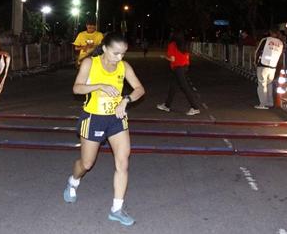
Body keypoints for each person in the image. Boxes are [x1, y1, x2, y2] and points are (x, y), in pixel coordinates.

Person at [63, 32, 145, 227]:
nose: (120, 57)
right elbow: (76, 88)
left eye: (123, 53)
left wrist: (126, 100)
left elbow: (140, 89)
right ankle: (73, 181)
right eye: (116, 53)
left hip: (116, 120)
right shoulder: (90, 63)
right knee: (87, 163)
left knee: (122, 163)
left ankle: (117, 209)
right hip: (93, 118)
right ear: (105, 48)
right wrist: (99, 86)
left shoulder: (124, 66)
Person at [156, 30, 201, 115]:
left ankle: (195, 108)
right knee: (173, 87)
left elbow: (172, 59)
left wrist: (164, 57)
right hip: (185, 67)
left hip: (178, 69)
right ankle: (166, 105)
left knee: (185, 87)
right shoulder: (184, 44)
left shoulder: (172, 45)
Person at [253, 28, 284, 109]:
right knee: (269, 84)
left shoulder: (266, 40)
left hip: (263, 64)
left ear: (270, 32)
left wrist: (255, 62)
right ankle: (270, 102)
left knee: (262, 85)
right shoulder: (280, 43)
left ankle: (262, 104)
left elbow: (258, 51)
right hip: (273, 66)